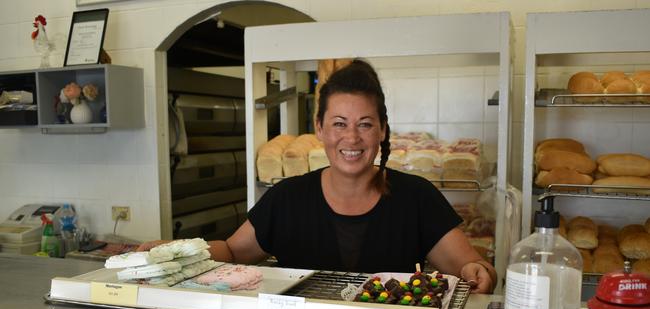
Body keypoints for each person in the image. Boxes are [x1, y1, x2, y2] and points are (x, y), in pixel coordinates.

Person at [140, 59, 497, 293]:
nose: (352, 138)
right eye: (339, 124)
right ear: (320, 128)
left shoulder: (416, 198)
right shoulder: (287, 198)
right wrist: (179, 252)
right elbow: (232, 250)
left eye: (365, 125)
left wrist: (479, 272)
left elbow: (472, 265)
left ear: (383, 131)